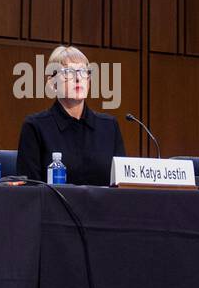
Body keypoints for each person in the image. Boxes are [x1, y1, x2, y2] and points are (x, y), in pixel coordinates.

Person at [16, 45, 125, 186]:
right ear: (52, 83)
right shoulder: (35, 127)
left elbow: (122, 186)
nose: (78, 78)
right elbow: (29, 192)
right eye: (68, 72)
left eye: (83, 71)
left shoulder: (109, 126)